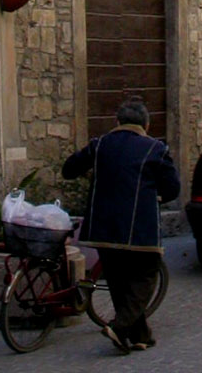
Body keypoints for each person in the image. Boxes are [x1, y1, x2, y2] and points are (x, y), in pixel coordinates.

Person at [63, 96, 180, 353]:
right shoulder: (155, 149)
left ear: (117, 121)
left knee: (118, 280)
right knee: (146, 276)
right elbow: (173, 188)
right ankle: (118, 327)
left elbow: (69, 169)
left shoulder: (101, 144)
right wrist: (156, 195)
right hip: (139, 229)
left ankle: (139, 336)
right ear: (146, 125)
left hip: (102, 228)